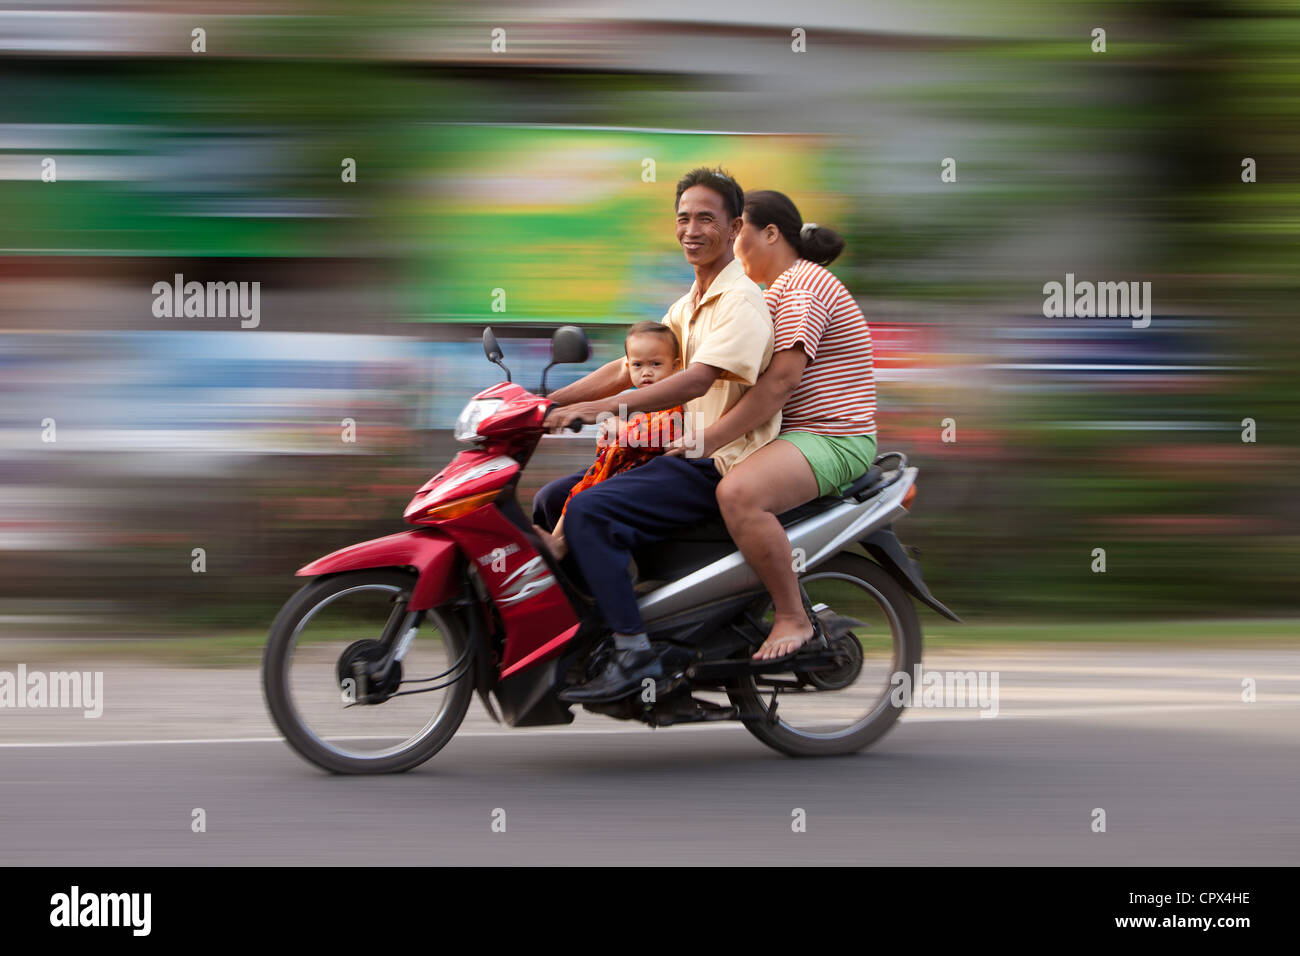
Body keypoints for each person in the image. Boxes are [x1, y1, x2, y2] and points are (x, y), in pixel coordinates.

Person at [534, 166, 779, 703]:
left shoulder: (741, 302)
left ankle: (634, 653)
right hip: (672, 449)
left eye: (706, 219)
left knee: (592, 510)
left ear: (736, 226)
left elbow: (695, 378)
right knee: (552, 498)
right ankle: (583, 630)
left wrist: (596, 411)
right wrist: (546, 401)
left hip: (714, 457)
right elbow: (630, 366)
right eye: (683, 218)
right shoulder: (688, 302)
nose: (691, 229)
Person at [669, 190, 877, 661]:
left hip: (832, 436)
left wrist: (710, 439)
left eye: (734, 230)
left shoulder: (803, 286)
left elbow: (781, 383)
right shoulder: (771, 292)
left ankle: (792, 616)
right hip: (789, 436)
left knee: (738, 493)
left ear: (769, 234)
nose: (725, 241)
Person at [535, 321, 685, 561]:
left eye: (656, 364)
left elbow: (659, 435)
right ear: (628, 367)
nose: (646, 372)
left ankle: (559, 547)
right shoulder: (633, 401)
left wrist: (621, 430)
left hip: (643, 472)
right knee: (572, 494)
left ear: (676, 366)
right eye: (638, 365)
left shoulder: (674, 400)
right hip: (614, 468)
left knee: (583, 502)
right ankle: (555, 543)